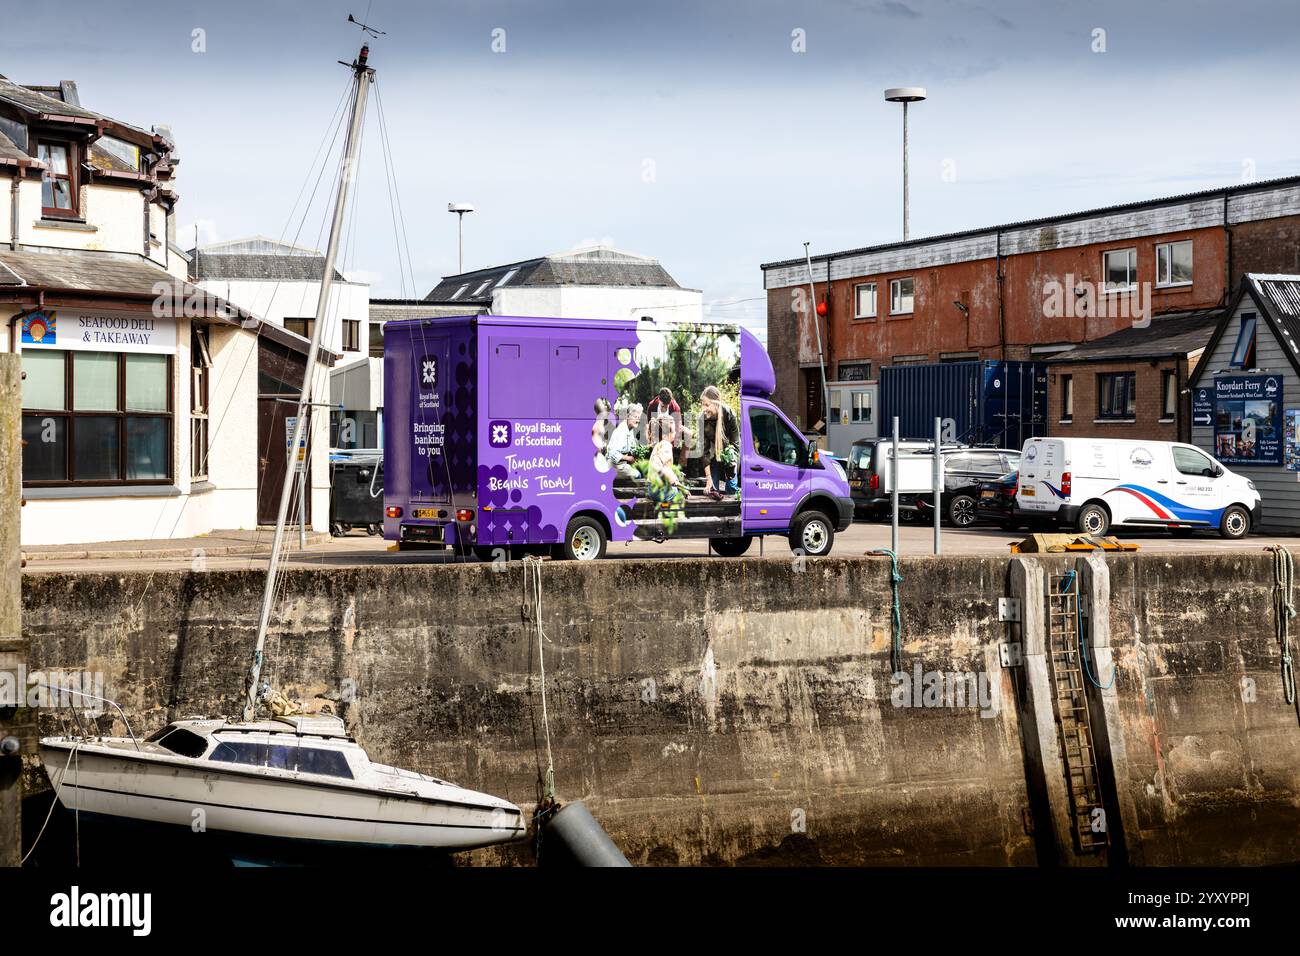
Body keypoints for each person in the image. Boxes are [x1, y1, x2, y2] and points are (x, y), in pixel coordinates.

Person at [698, 385, 739, 498]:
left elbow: (735, 445)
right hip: (714, 456)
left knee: (731, 487)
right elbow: (704, 451)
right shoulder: (702, 419)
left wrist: (730, 467)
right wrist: (708, 478)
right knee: (712, 490)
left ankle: (734, 514)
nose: (704, 408)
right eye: (703, 404)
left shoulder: (729, 415)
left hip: (730, 456)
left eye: (707, 404)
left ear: (716, 403)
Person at [647, 416, 684, 506]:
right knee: (678, 494)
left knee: (677, 489)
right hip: (659, 491)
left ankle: (664, 504)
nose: (675, 434)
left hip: (651, 489)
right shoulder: (666, 445)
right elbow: (657, 467)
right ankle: (665, 507)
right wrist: (676, 483)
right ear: (666, 434)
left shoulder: (658, 445)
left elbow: (666, 468)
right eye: (674, 431)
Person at [606, 403, 643, 480]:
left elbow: (632, 448)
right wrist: (629, 458)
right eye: (635, 417)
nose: (637, 420)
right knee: (638, 475)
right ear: (627, 416)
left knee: (642, 470)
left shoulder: (630, 430)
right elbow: (612, 453)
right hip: (614, 466)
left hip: (622, 465)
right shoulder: (621, 431)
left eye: (638, 418)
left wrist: (637, 456)